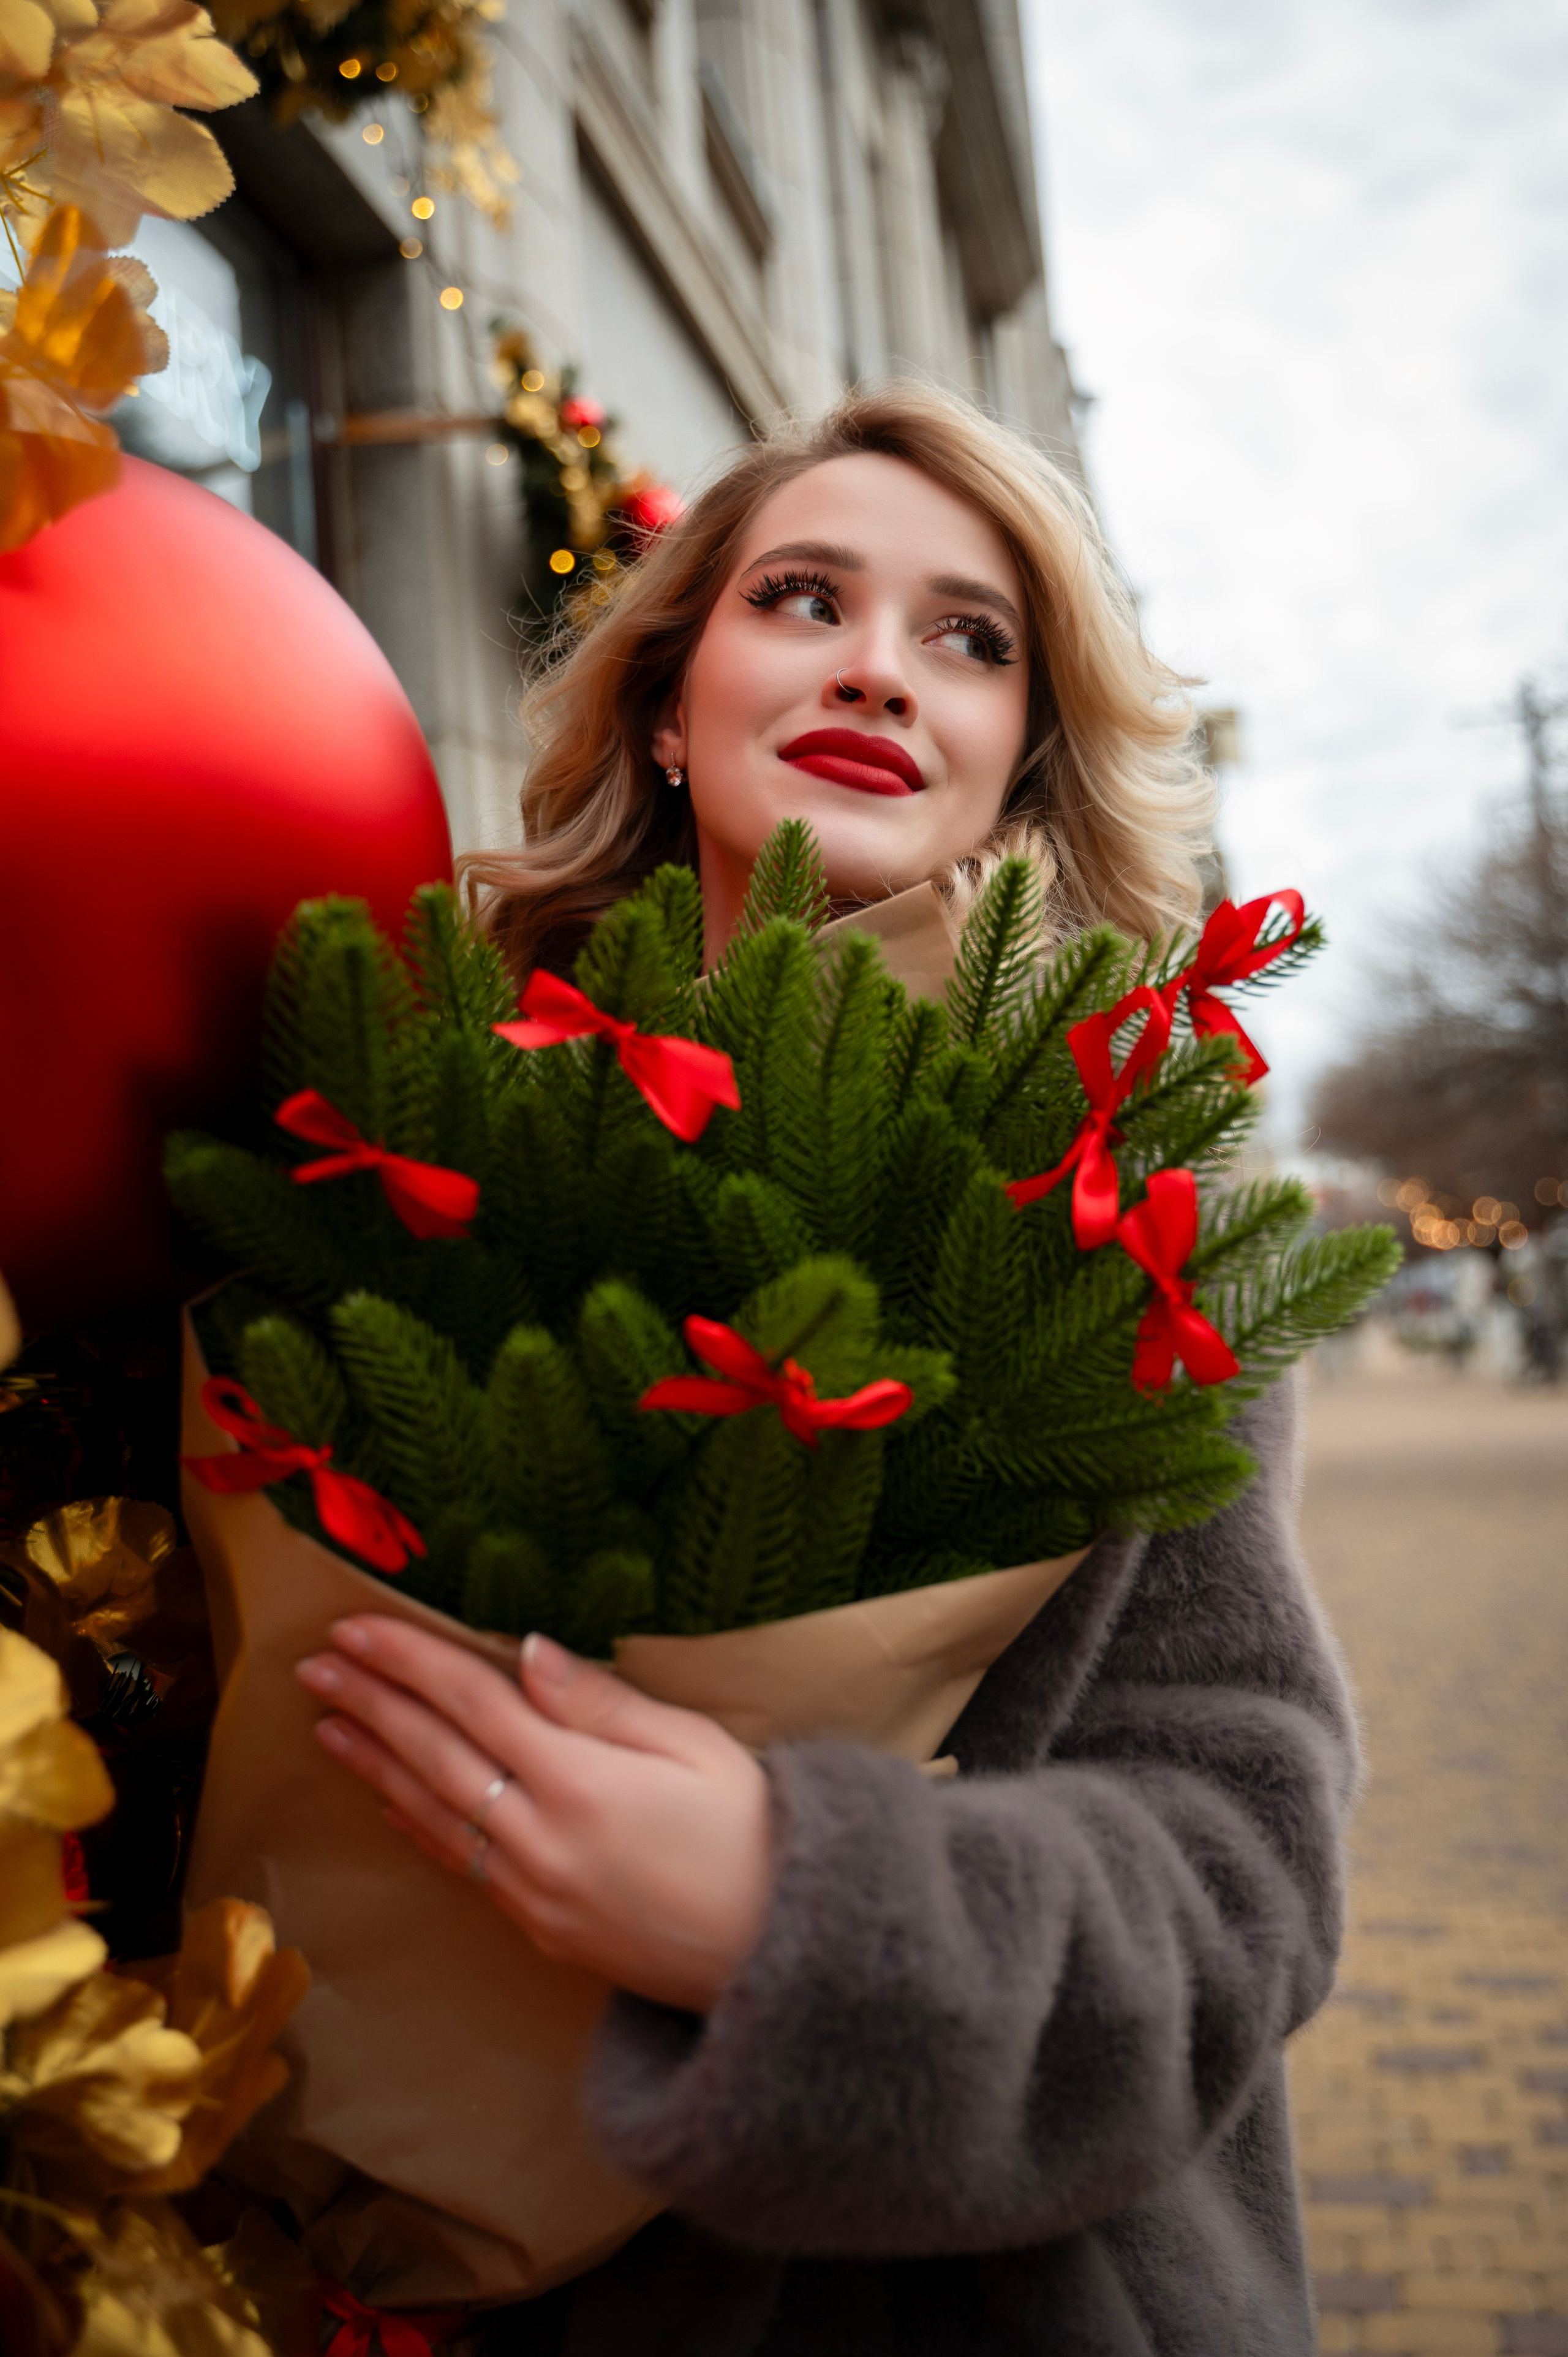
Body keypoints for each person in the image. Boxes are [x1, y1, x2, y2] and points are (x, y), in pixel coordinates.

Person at [292, 385, 1357, 2355]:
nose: (879, 666)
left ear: (1017, 768)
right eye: (804, 598)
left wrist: (791, 1910)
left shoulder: (1125, 1228)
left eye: (971, 639)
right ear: (665, 708)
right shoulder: (421, 1142)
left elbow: (1240, 1881)